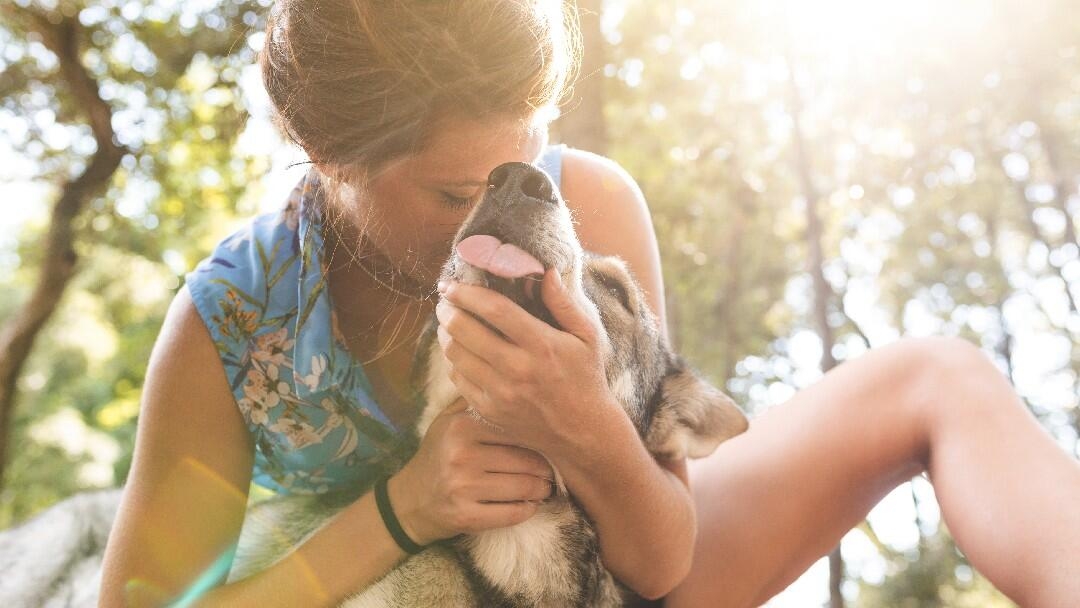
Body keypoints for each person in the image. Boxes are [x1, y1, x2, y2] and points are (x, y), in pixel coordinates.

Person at [98, 1, 1080, 606]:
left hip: (619, 568)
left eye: (525, 166)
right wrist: (402, 510)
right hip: (401, 586)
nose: (508, 212)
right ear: (327, 157)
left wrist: (584, 426)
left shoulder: (583, 205)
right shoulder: (233, 324)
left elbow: (663, 562)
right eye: (455, 193)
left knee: (937, 375)